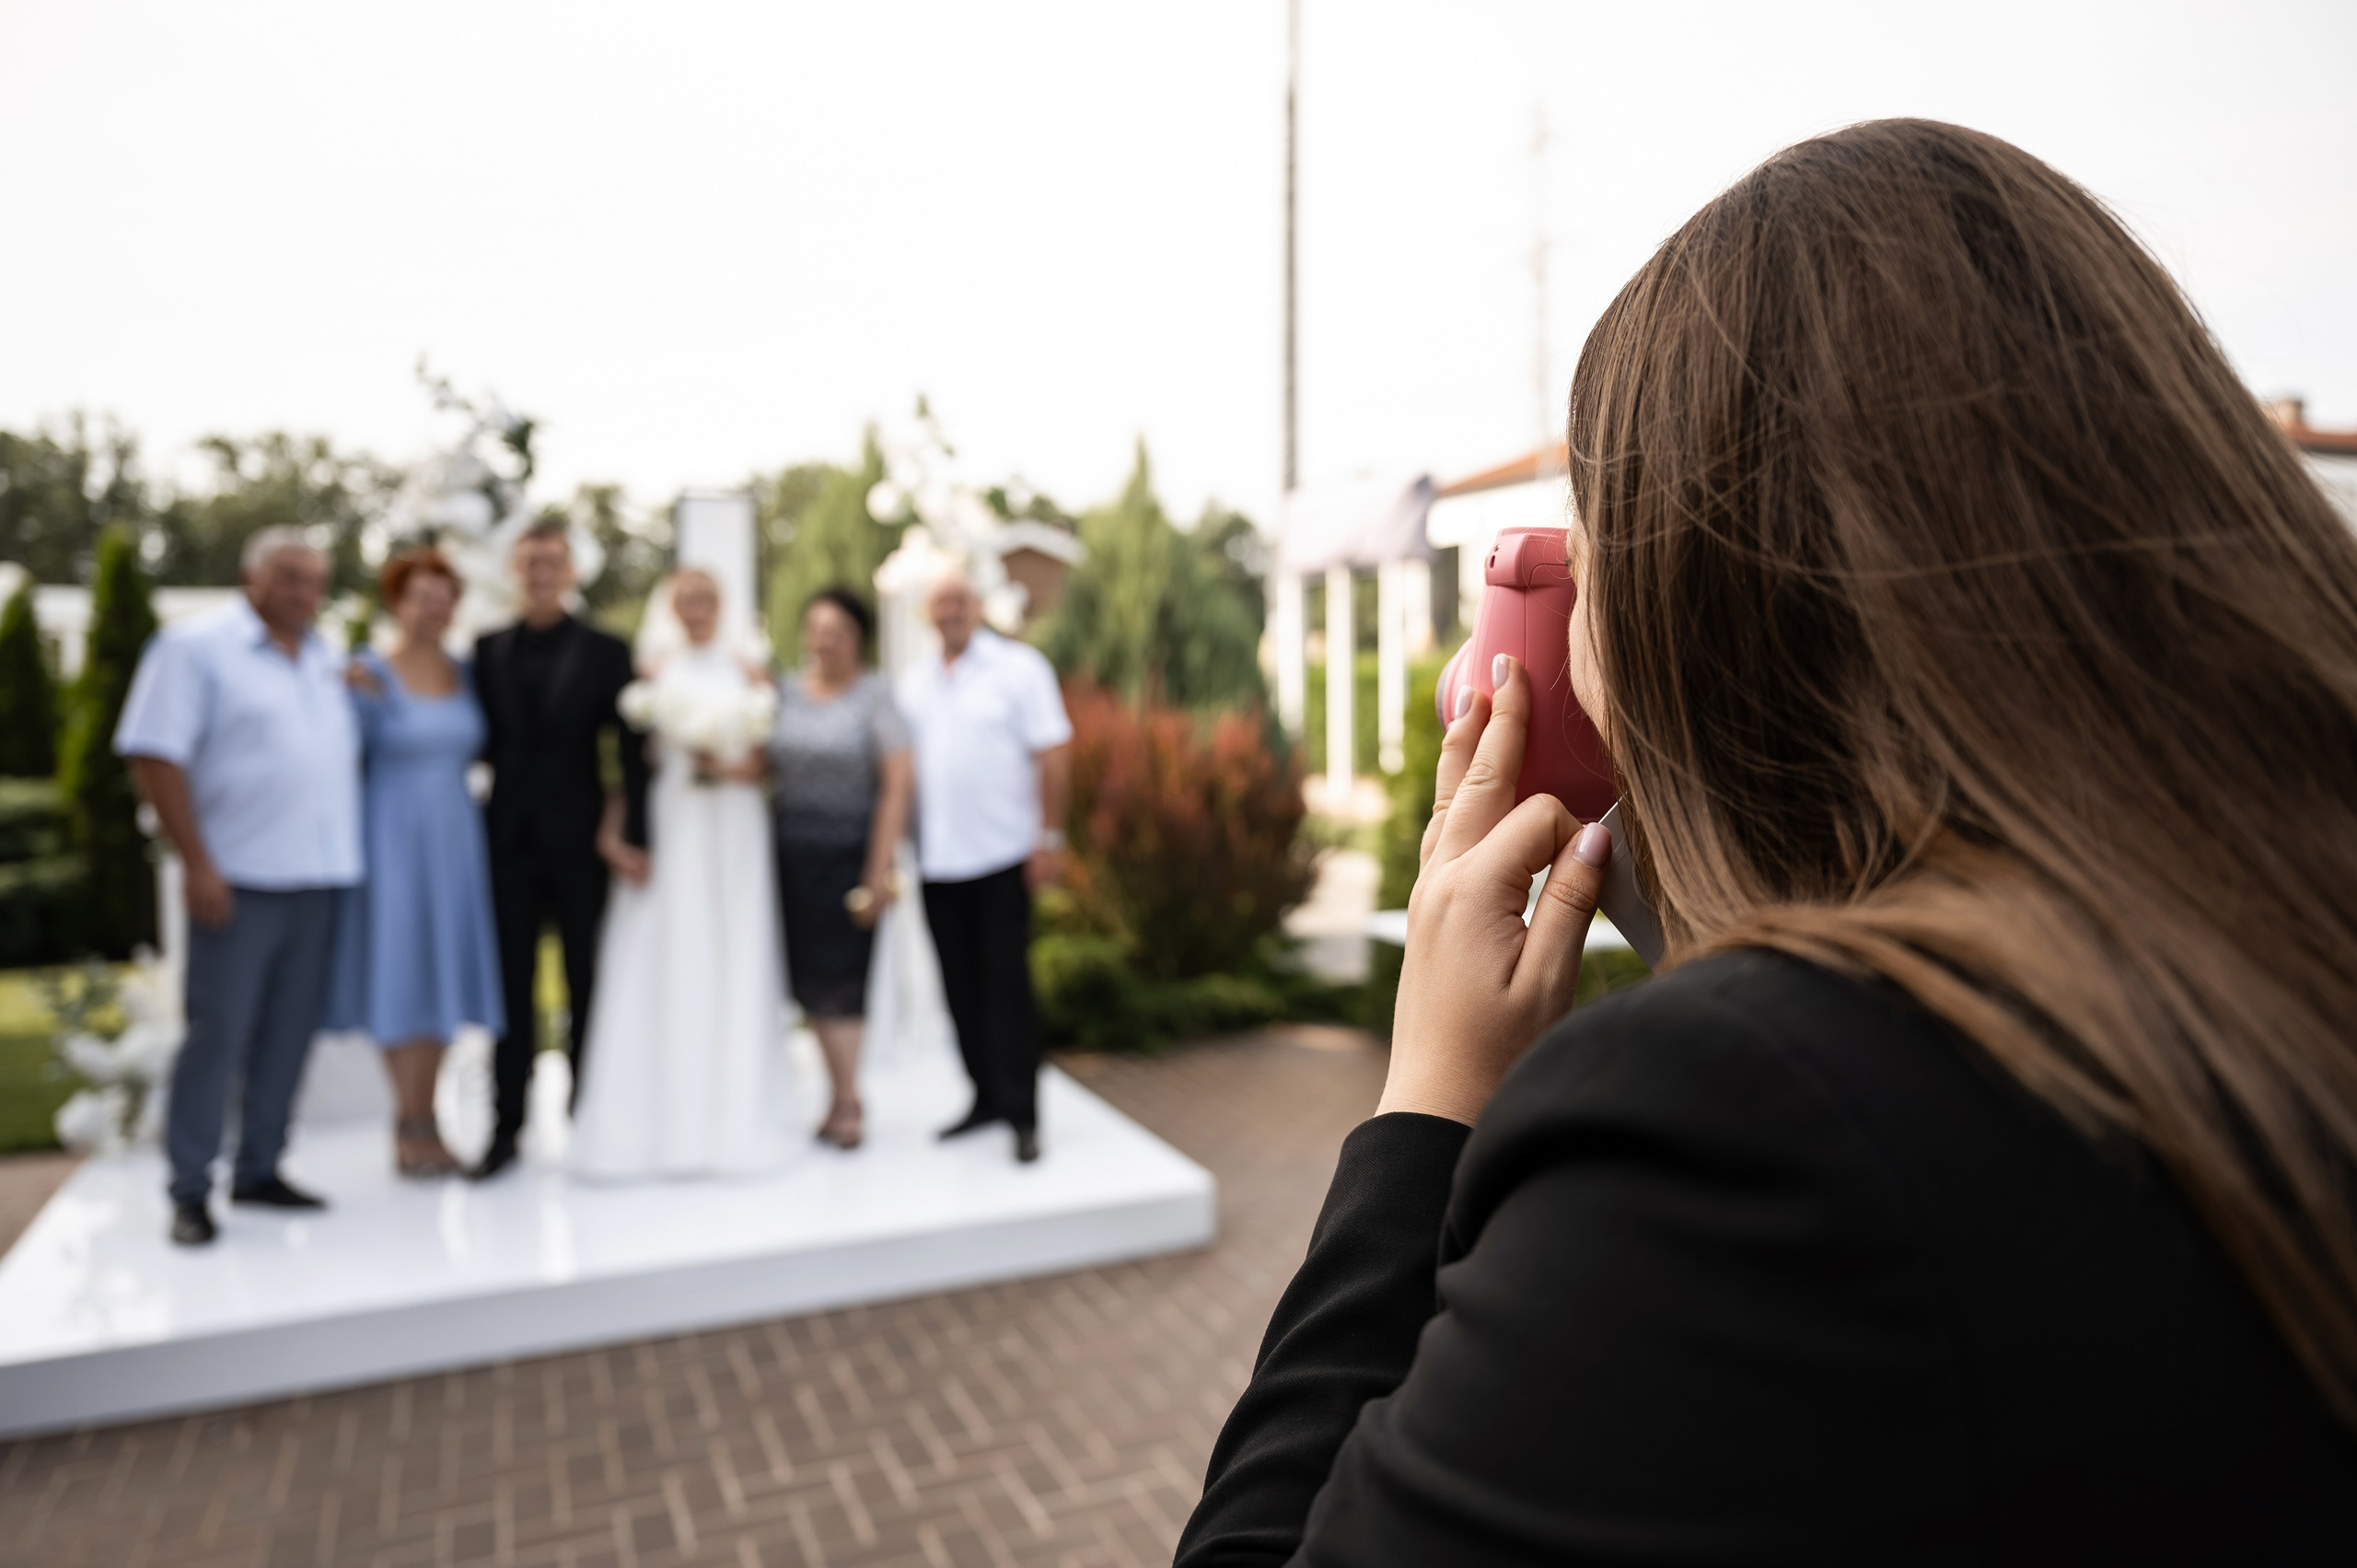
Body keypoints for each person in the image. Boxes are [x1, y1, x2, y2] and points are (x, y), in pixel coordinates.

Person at [1178, 120, 2357, 1566]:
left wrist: (1428, 1101)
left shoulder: (1740, 1129)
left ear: (1704, 609)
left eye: (1596, 541)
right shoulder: (2256, 941)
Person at [115, 528, 360, 1246]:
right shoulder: (194, 649)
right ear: (251, 577)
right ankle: (190, 1188)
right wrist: (197, 862)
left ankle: (259, 1167)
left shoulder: (325, 656)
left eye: (314, 580)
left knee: (288, 1034)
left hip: (320, 877)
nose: (303, 592)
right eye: (288, 577)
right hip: (239, 880)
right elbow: (156, 755)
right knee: (217, 1034)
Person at [566, 568, 796, 1179]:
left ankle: (733, 1112)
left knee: (732, 945)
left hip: (734, 821)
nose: (697, 608)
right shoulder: (652, 676)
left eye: (707, 598)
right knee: (667, 948)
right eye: (686, 599)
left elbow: (771, 760)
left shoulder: (749, 671)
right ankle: (659, 1119)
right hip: (674, 820)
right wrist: (617, 831)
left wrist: (722, 768)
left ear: (723, 606)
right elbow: (631, 764)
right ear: (672, 606)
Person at [471, 517, 649, 1180]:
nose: (541, 573)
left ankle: (589, 1118)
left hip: (581, 848)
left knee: (587, 983)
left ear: (570, 572)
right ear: (514, 571)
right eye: (530, 562)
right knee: (510, 991)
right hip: (508, 844)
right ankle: (504, 1128)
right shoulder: (487, 650)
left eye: (552, 562)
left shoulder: (605, 650)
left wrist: (633, 836)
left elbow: (629, 755)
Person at [324, 548, 504, 1178]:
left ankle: (428, 1115)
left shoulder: (466, 672)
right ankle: (412, 1122)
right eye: (422, 596)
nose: (435, 608)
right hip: (391, 835)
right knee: (401, 971)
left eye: (444, 596)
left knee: (442, 970)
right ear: (396, 603)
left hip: (456, 836)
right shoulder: (367, 673)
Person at [896, 570, 1070, 1165]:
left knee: (1007, 990)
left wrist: (1050, 838)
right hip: (937, 861)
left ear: (977, 607)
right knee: (958, 989)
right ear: (927, 612)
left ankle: (1023, 1113)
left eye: (960, 600)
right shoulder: (913, 682)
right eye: (940, 600)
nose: (950, 610)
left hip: (1002, 857)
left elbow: (1052, 755)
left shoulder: (1020, 669)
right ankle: (985, 1097)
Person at [769, 587, 913, 1151]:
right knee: (805, 982)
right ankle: (835, 1095)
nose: (825, 641)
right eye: (817, 629)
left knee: (843, 983)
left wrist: (879, 869)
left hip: (850, 854)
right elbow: (762, 762)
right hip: (787, 854)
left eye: (838, 631)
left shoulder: (875, 697)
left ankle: (848, 1100)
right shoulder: (784, 691)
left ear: (858, 638)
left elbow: (897, 784)